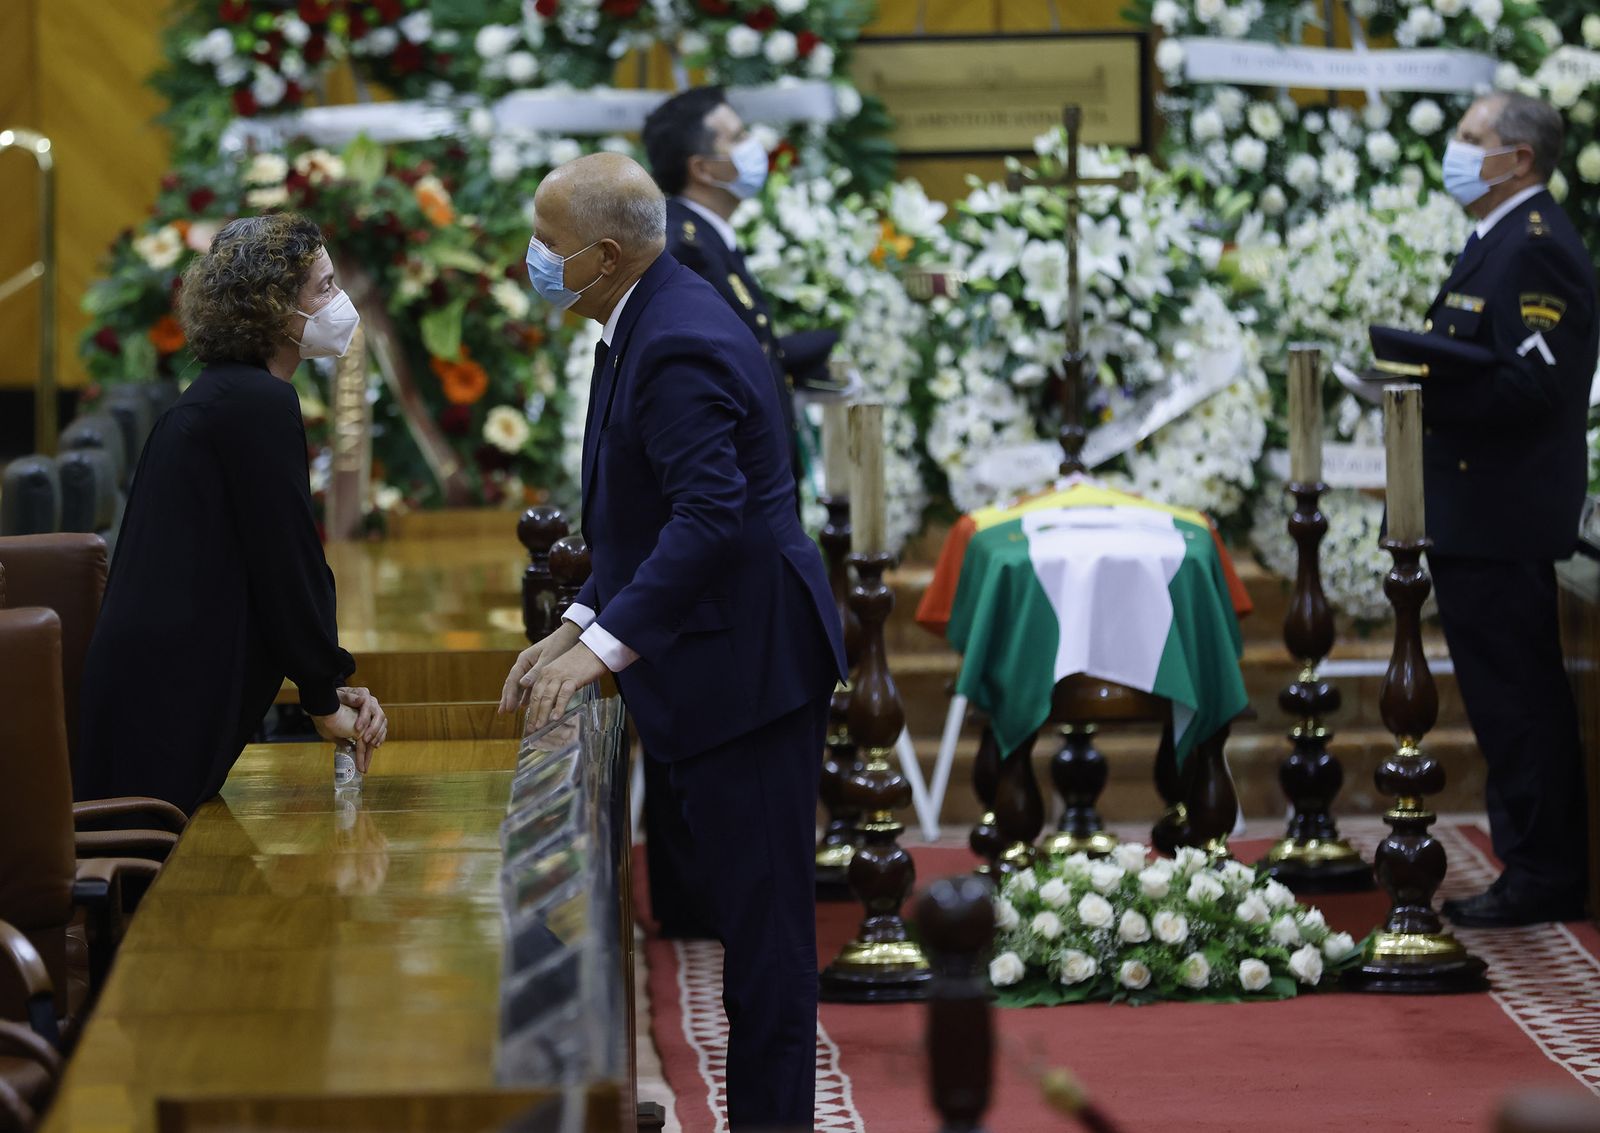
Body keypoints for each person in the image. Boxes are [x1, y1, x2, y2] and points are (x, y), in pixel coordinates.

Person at [498, 153, 845, 1130]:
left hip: (752, 665)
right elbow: (641, 516)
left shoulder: (677, 338)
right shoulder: (639, 314)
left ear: (604, 255)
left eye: (547, 242)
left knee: (765, 935)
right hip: (714, 654)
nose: (534, 259)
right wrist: (573, 621)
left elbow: (707, 518)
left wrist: (600, 650)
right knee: (743, 920)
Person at [1368, 92, 1596, 927]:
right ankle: (1531, 862)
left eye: (1471, 139)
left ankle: (1542, 872)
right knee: (1504, 699)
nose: (1456, 152)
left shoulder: (1536, 249)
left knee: (1520, 701)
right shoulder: (1498, 240)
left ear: (1519, 160)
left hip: (1504, 514)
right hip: (1478, 510)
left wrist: (1429, 387)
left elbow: (1531, 384)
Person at [76, 213, 387, 816]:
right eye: (322, 289)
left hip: (154, 677)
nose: (339, 302)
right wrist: (323, 696)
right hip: (167, 692)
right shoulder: (255, 402)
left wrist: (325, 680)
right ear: (272, 309)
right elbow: (288, 564)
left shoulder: (227, 393)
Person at [640, 85, 844, 937]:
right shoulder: (686, 246)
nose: (751, 146)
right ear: (701, 164)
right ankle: (702, 902)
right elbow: (722, 368)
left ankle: (714, 898)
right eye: (735, 136)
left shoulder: (703, 239)